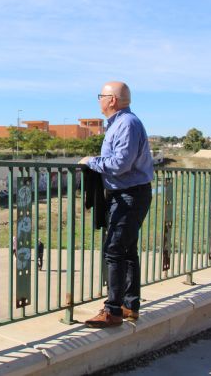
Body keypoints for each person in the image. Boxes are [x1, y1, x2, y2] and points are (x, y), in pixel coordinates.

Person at [79, 81, 154, 328]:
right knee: (127, 251)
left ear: (111, 100)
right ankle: (129, 306)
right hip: (128, 194)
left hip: (129, 195)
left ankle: (112, 311)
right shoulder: (120, 124)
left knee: (114, 251)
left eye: (101, 95)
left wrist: (92, 162)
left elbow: (121, 163)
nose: (99, 100)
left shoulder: (126, 124)